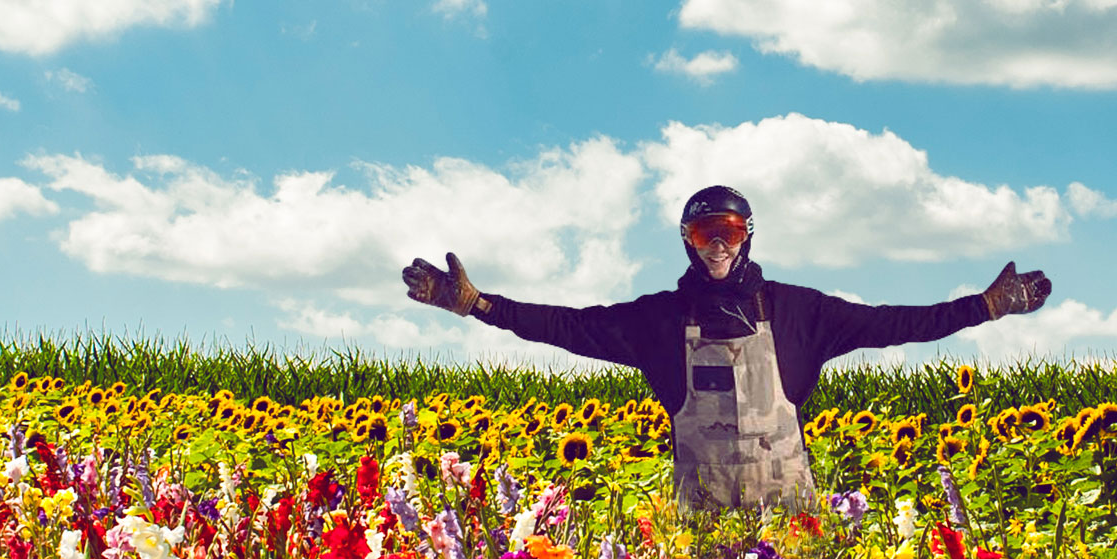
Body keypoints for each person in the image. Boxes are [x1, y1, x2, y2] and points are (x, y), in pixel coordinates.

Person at [402, 185, 1051, 510]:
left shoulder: (801, 313)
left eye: (731, 230)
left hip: (791, 525)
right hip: (704, 533)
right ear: (688, 240)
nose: (719, 243)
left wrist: (985, 307)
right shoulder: (658, 321)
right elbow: (566, 326)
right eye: (706, 232)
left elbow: (898, 322)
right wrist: (477, 305)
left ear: (748, 236)